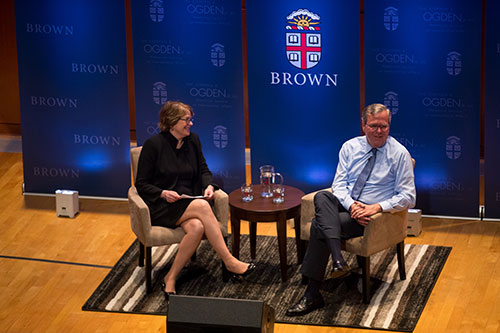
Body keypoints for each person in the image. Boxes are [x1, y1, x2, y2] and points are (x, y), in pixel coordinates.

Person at [286, 103, 416, 316]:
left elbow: (408, 197)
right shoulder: (350, 147)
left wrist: (375, 207)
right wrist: (351, 205)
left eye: (383, 126)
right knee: (322, 196)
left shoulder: (399, 154)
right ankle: (337, 259)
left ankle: (313, 293)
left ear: (389, 127)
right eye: (373, 126)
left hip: (371, 216)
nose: (379, 131)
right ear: (363, 125)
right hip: (348, 204)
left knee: (319, 225)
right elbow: (339, 185)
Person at [135, 101, 255, 298]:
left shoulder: (193, 141)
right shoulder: (154, 145)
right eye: (187, 120)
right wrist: (163, 193)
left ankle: (170, 278)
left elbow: (204, 170)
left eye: (191, 119)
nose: (191, 124)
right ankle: (229, 261)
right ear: (172, 122)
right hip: (162, 206)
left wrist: (209, 186)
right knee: (201, 206)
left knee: (197, 227)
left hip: (187, 202)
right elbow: (141, 184)